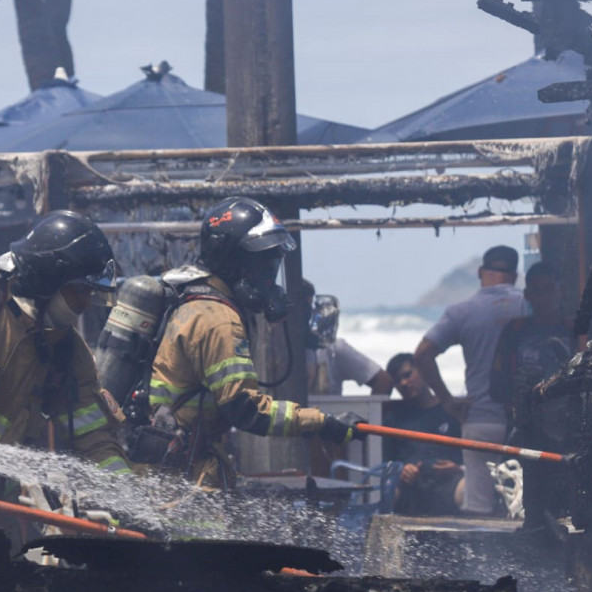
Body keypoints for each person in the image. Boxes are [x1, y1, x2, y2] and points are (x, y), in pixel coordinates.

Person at [140, 196, 363, 488]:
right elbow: (246, 411)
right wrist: (322, 423)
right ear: (234, 264)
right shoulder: (219, 321)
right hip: (180, 475)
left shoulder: (200, 304)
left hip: (176, 464)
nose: (271, 282)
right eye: (264, 268)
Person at [0, 212, 131, 541]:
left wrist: (126, 496)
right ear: (48, 281)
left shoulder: (67, 350)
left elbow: (93, 436)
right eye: (79, 292)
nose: (86, 304)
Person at [413, 245, 527, 515]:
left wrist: (448, 401)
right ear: (515, 275)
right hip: (526, 421)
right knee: (524, 506)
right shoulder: (529, 304)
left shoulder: (462, 311)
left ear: (480, 272)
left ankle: (482, 556)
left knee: (478, 506)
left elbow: (423, 354)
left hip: (480, 419)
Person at [490, 262, 575, 529]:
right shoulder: (515, 331)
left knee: (566, 492)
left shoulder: (573, 330)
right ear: (528, 296)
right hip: (526, 425)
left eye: (549, 290)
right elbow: (497, 382)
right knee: (526, 494)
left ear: (560, 291)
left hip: (567, 426)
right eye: (537, 292)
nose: (544, 297)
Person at [382, 352, 463, 517]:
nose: (404, 383)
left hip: (448, 482)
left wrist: (458, 469)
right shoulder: (393, 418)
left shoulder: (451, 412)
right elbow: (384, 462)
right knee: (389, 493)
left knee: (467, 489)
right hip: (408, 486)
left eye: (407, 375)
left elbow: (469, 456)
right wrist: (401, 470)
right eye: (397, 381)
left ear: (422, 371)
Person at [302, 280, 393, 396]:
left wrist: (368, 414)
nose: (307, 314)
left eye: (308, 308)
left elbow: (383, 381)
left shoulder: (332, 350)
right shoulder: (274, 350)